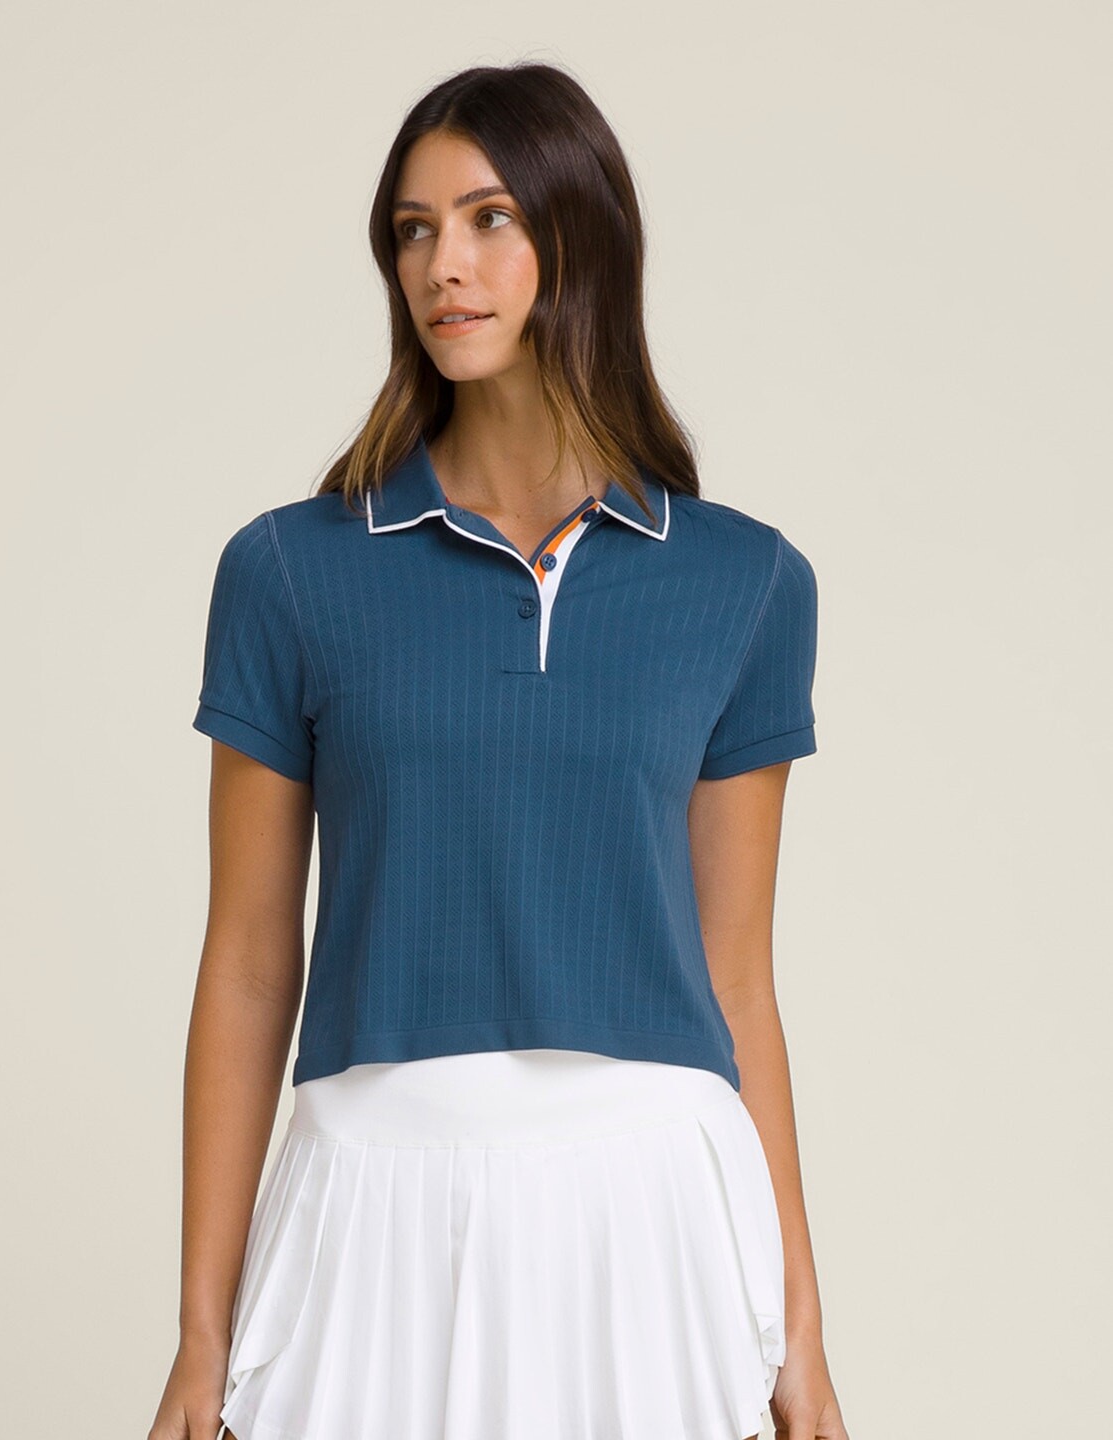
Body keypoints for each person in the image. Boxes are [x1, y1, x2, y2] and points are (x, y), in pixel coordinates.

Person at [149, 60, 851, 1440]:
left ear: (581, 238)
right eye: (413, 230)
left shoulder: (746, 584)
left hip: (650, 1215)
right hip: (371, 1200)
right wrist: (200, 1333)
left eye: (488, 219)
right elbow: (246, 966)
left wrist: (805, 1337)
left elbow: (737, 982)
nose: (442, 266)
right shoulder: (290, 572)